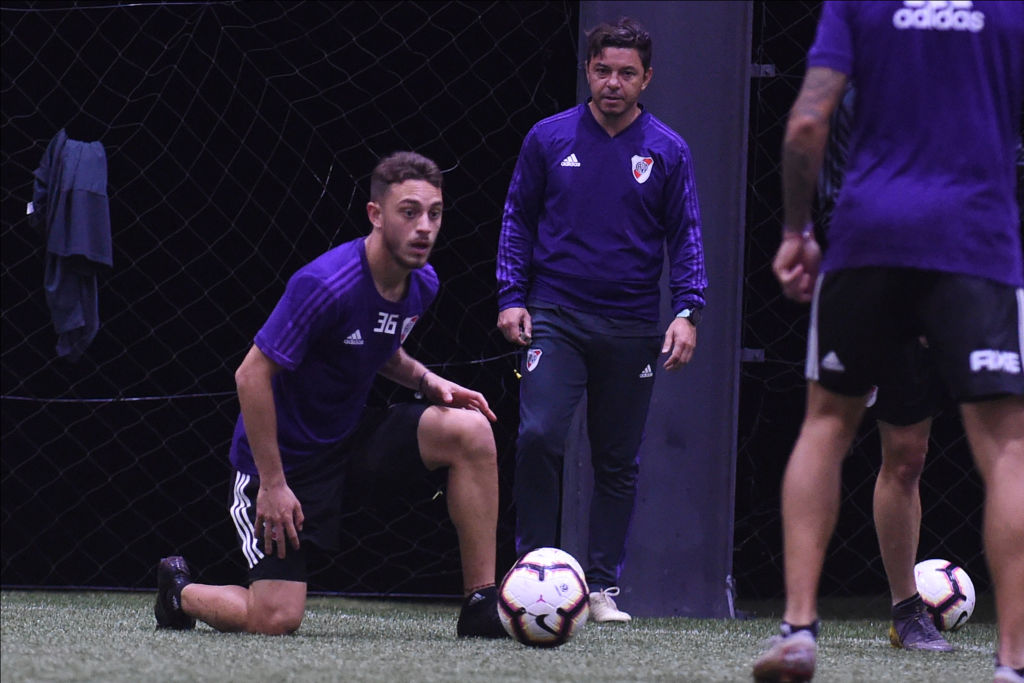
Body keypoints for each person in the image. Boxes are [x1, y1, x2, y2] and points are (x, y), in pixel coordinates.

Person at [752, 3, 1024, 682]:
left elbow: (807, 121)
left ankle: (799, 629)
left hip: (871, 240)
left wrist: (794, 230)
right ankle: (1012, 663)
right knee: (1007, 451)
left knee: (824, 425)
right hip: (975, 244)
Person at [154, 151, 507, 638]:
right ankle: (178, 593)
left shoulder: (422, 283)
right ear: (375, 214)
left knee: (470, 430)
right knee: (275, 619)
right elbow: (250, 376)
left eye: (435, 213)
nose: (424, 227)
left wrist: (429, 382)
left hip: (349, 439)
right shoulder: (325, 284)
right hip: (284, 464)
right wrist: (272, 484)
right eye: (409, 212)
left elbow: (377, 345)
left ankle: (481, 602)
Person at [496, 16, 707, 623]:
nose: (613, 83)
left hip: (632, 324)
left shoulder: (668, 150)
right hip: (554, 315)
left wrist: (687, 310)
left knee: (616, 459)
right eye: (603, 70)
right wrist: (511, 296)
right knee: (539, 436)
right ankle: (533, 573)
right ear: (588, 71)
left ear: (647, 78)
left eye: (627, 73)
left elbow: (686, 235)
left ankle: (602, 588)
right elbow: (517, 218)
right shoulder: (548, 137)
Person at [819, 86, 952, 653]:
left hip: (977, 281)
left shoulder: (984, 84)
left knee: (1007, 448)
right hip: (890, 291)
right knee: (899, 452)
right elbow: (838, 206)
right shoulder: (859, 98)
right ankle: (905, 610)